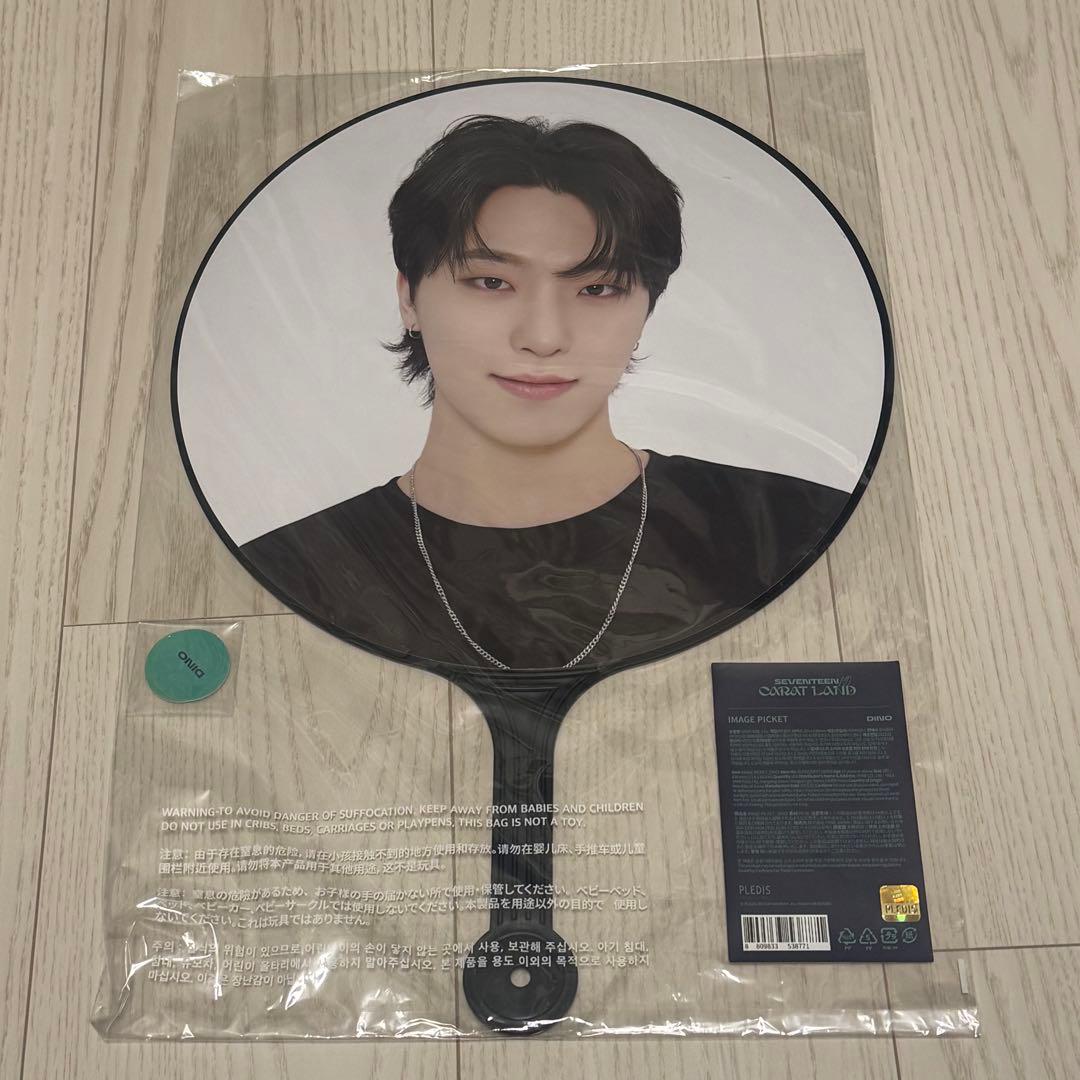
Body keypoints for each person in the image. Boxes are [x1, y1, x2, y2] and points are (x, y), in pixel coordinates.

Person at [240, 114, 850, 671]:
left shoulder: (795, 528)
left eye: (597, 289)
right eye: (490, 282)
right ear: (409, 298)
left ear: (647, 309)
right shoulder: (288, 571)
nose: (543, 337)